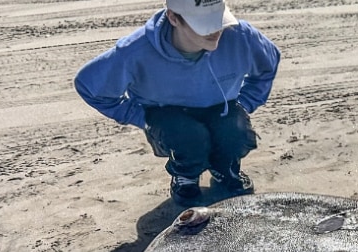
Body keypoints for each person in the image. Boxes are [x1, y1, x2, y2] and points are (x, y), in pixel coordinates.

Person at [74, 0, 280, 204]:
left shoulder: (241, 36)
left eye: (218, 18)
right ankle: (186, 176)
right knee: (189, 137)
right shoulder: (134, 51)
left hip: (221, 108)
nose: (216, 29)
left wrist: (245, 103)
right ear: (173, 17)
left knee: (235, 131)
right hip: (167, 116)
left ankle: (225, 169)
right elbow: (89, 86)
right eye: (203, 22)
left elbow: (268, 64)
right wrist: (140, 117)